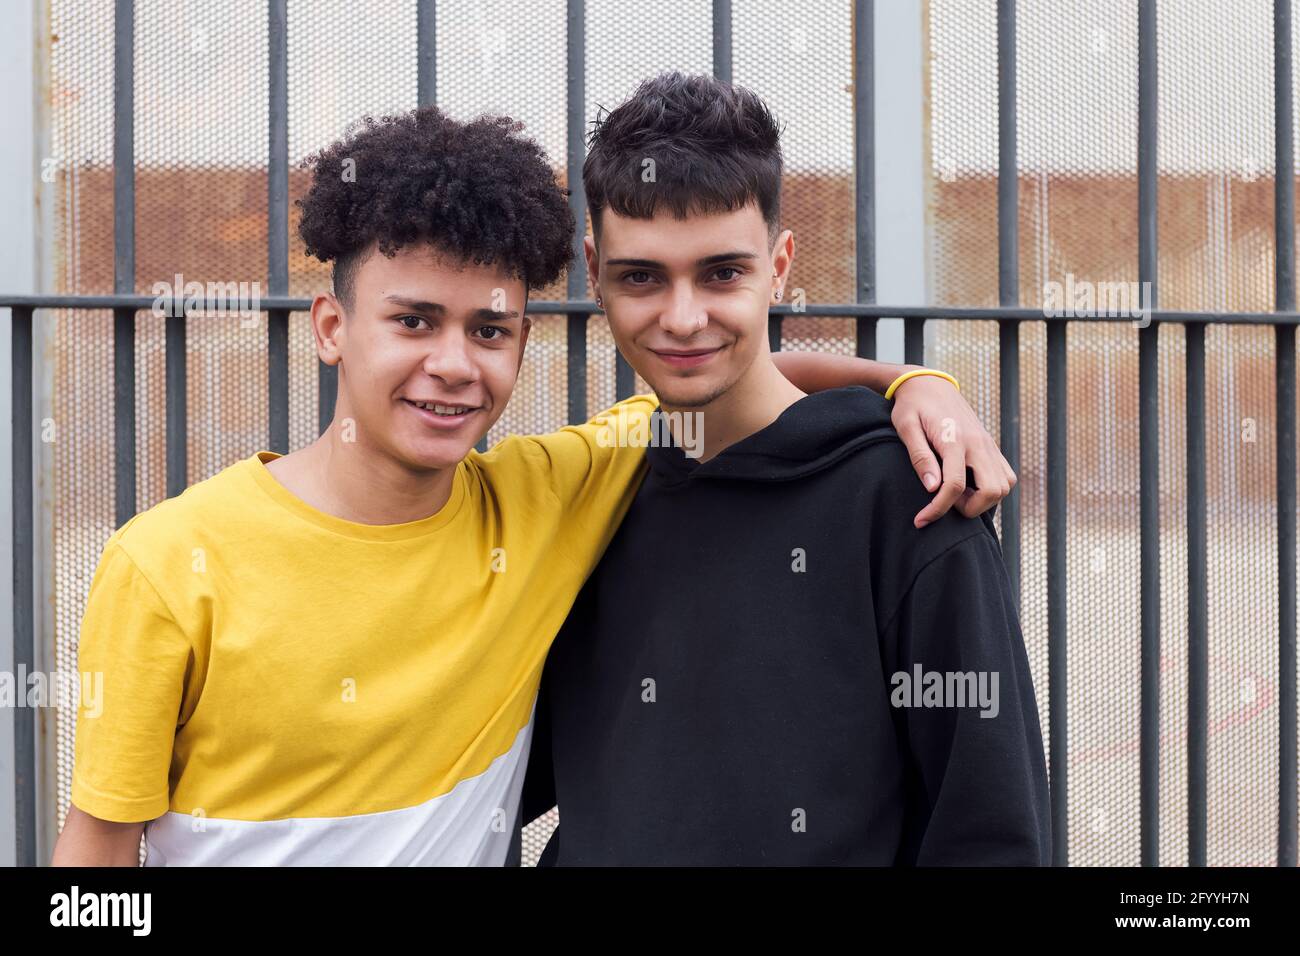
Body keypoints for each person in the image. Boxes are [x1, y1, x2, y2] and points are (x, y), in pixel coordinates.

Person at [52, 105, 1010, 867]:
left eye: (490, 330)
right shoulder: (169, 563)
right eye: (414, 322)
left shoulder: (552, 494)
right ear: (330, 326)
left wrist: (915, 383)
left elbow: (734, 378)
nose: (454, 366)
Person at [520, 72, 1049, 866]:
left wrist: (909, 382)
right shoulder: (590, 493)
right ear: (593, 271)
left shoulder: (908, 492)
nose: (684, 316)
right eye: (642, 277)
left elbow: (989, 827)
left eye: (722, 273)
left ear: (781, 263)